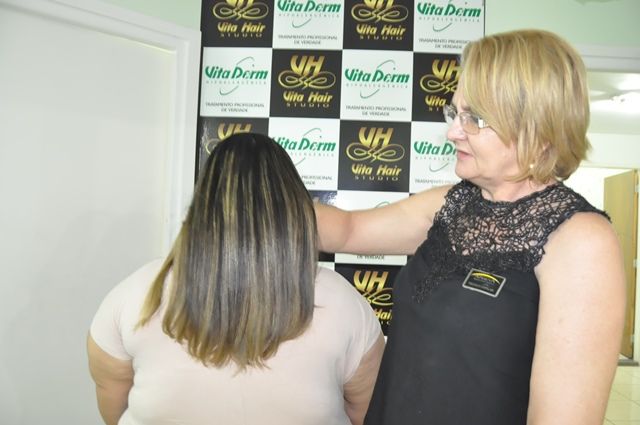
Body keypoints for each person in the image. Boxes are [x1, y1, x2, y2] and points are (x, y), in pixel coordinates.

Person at [315, 29, 626, 425]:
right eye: (454, 113)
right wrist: (253, 195)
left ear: (537, 129)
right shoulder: (452, 205)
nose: (452, 132)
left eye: (474, 119)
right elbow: (346, 230)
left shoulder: (581, 241)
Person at [87, 132, 385, 425]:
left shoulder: (136, 294)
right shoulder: (344, 305)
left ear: (203, 207)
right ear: (295, 209)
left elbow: (112, 402)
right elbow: (367, 413)